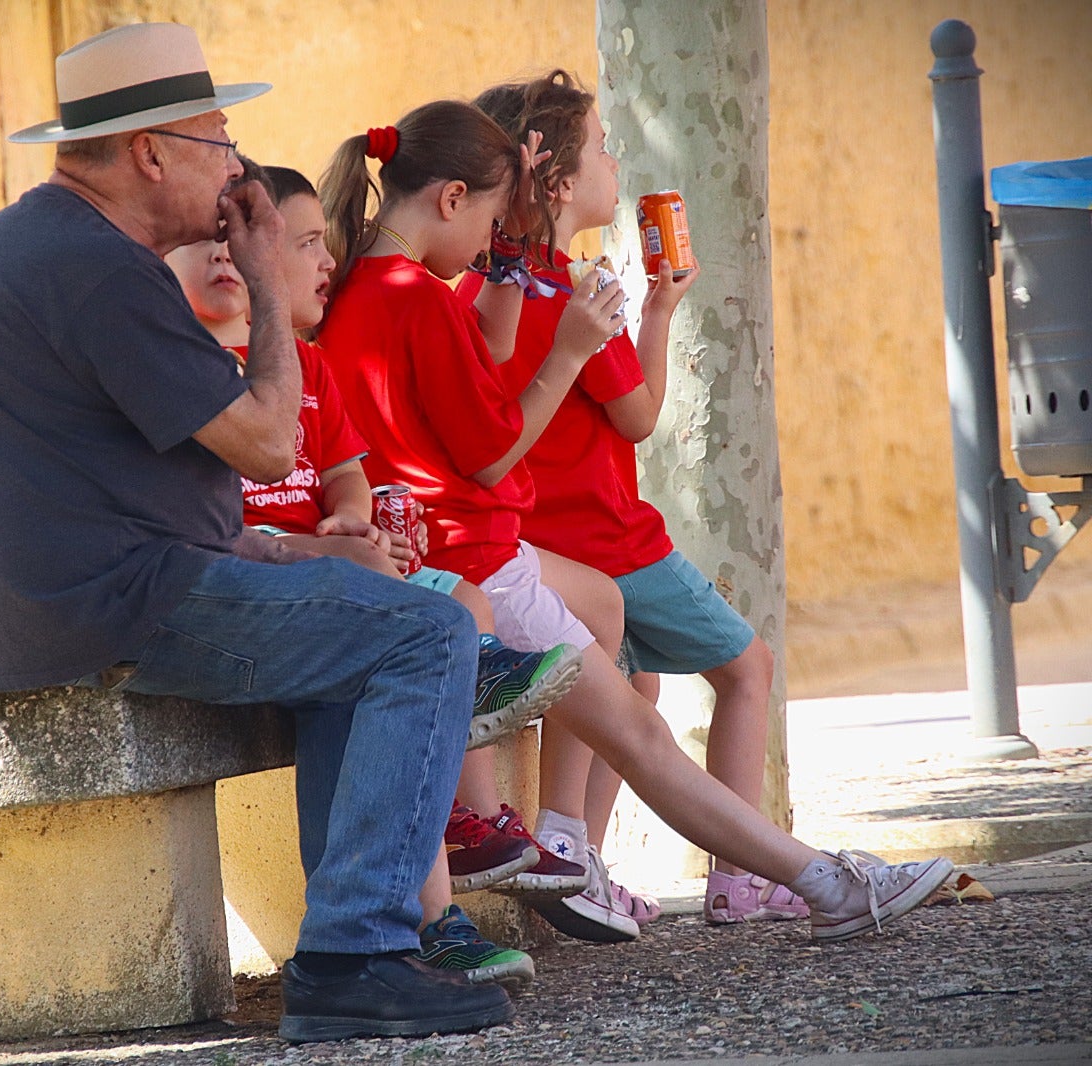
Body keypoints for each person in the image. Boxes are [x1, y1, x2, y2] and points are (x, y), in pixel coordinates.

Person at [0, 22, 515, 1043]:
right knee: (426, 634)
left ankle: (354, 947)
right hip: (110, 610)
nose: (236, 163)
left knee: (369, 633)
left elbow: (150, 492)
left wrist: (307, 555)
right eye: (219, 138)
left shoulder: (49, 246)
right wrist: (270, 275)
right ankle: (356, 954)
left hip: (80, 596)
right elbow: (267, 442)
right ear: (150, 152)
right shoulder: (95, 267)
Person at [314, 98, 955, 949]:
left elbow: (485, 354)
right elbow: (494, 454)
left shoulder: (370, 282)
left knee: (612, 637)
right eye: (490, 222)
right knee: (645, 738)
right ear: (450, 198)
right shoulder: (418, 300)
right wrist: (573, 348)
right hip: (480, 556)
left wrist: (507, 263)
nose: (490, 242)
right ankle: (822, 882)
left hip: (455, 554)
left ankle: (584, 845)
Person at [167, 160, 586, 988]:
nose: (328, 262)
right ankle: (436, 888)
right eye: (307, 244)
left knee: (443, 620)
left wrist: (352, 519)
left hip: (323, 582)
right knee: (417, 653)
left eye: (241, 242)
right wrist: (335, 553)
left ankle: (427, 910)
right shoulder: (180, 373)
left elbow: (345, 471)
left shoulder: (304, 370)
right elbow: (216, 538)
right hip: (248, 598)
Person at [460, 70, 800, 935]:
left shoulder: (479, 292)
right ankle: (739, 873)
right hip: (615, 544)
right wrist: (658, 311)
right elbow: (641, 417)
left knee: (632, 685)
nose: (616, 163)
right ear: (560, 185)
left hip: (537, 550)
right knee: (748, 670)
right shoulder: (571, 289)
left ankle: (580, 867)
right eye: (603, 149)